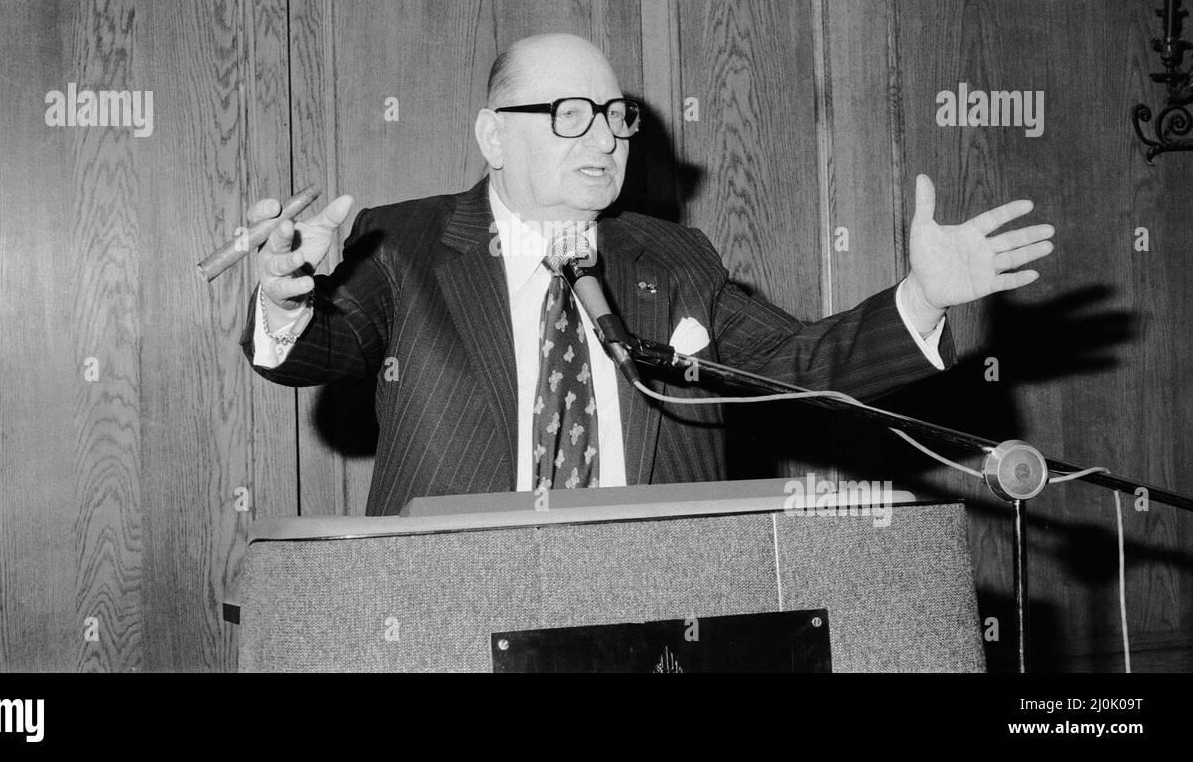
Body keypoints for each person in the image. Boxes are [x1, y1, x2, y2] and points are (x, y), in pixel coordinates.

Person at [240, 33, 1054, 515]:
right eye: (569, 117)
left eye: (616, 117)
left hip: (653, 615)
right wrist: (285, 298)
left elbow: (799, 362)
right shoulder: (406, 241)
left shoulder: (673, 258)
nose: (604, 141)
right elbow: (322, 347)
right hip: (452, 610)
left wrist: (923, 299)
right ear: (493, 136)